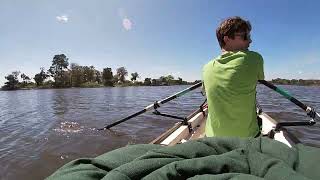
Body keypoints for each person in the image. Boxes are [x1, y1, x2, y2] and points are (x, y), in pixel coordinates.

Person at [202, 16, 264, 137]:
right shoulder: (255, 58)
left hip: (212, 137)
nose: (250, 41)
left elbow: (206, 92)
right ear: (227, 39)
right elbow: (259, 79)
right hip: (246, 137)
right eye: (245, 37)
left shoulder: (206, 68)